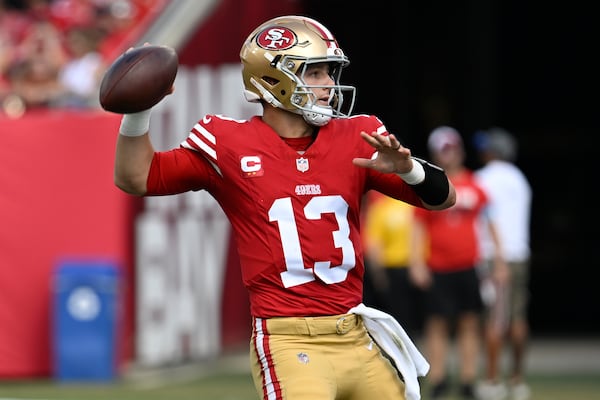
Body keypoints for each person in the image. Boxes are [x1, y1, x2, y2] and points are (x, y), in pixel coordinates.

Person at [111, 15, 456, 400]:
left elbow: (444, 198)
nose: (330, 86)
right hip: (290, 341)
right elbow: (138, 177)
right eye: (317, 73)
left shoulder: (355, 138)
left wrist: (408, 169)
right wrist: (138, 111)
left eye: (331, 72)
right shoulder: (229, 144)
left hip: (356, 335)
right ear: (275, 78)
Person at [408, 126, 508, 400]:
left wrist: (499, 261)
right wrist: (416, 262)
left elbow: (491, 223)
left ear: (460, 151)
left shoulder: (475, 184)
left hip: (468, 265)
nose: (449, 154)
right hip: (438, 265)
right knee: (437, 323)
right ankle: (438, 377)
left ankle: (467, 379)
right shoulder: (429, 185)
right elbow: (418, 226)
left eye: (452, 149)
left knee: (469, 323)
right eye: (444, 150)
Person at [473, 127, 533, 400]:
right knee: (518, 318)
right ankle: (518, 379)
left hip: (492, 254)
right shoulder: (521, 180)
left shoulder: (482, 178)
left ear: (492, 152)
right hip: (519, 253)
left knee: (495, 319)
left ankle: (492, 380)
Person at [362, 191, 425, 338]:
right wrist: (378, 273)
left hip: (413, 267)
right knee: (397, 317)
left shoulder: (414, 205)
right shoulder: (380, 208)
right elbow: (374, 242)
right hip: (392, 268)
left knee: (416, 319)